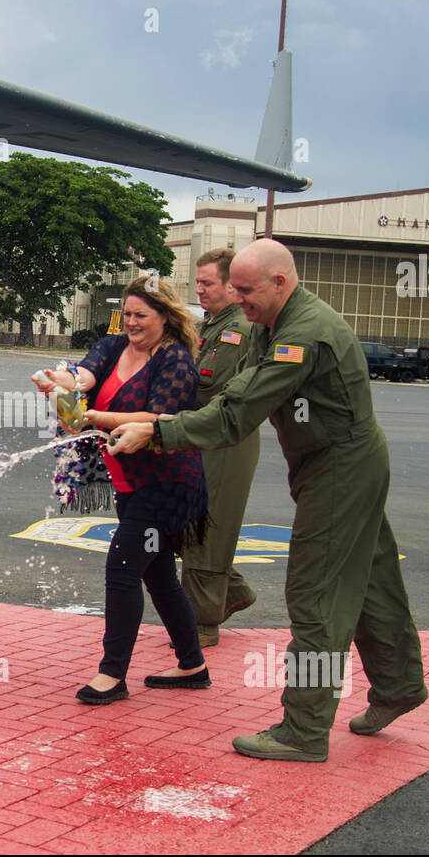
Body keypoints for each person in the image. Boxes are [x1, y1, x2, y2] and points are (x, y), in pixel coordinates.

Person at [110, 240, 428, 761]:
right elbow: (229, 390)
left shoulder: (302, 335)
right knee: (372, 582)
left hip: (341, 470)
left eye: (245, 289)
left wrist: (159, 432)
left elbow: (238, 411)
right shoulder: (269, 322)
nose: (236, 298)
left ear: (280, 282)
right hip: (332, 464)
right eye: (232, 288)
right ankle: (399, 686)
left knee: (315, 595)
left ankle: (303, 731)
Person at [33, 276, 210, 704]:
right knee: (159, 574)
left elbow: (156, 418)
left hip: (168, 482)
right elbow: (84, 375)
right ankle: (192, 665)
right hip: (130, 478)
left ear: (164, 317)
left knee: (123, 567)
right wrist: (60, 381)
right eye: (127, 313)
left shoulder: (176, 360)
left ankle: (112, 675)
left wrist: (93, 416)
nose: (131, 322)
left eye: (141, 315)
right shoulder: (113, 346)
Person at [180, 248, 260, 647]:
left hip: (225, 438)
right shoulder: (213, 325)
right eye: (197, 282)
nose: (200, 289)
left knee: (207, 527)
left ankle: (202, 623)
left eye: (207, 283)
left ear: (231, 286)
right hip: (204, 434)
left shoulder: (237, 330)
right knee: (188, 521)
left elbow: (208, 387)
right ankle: (232, 591)